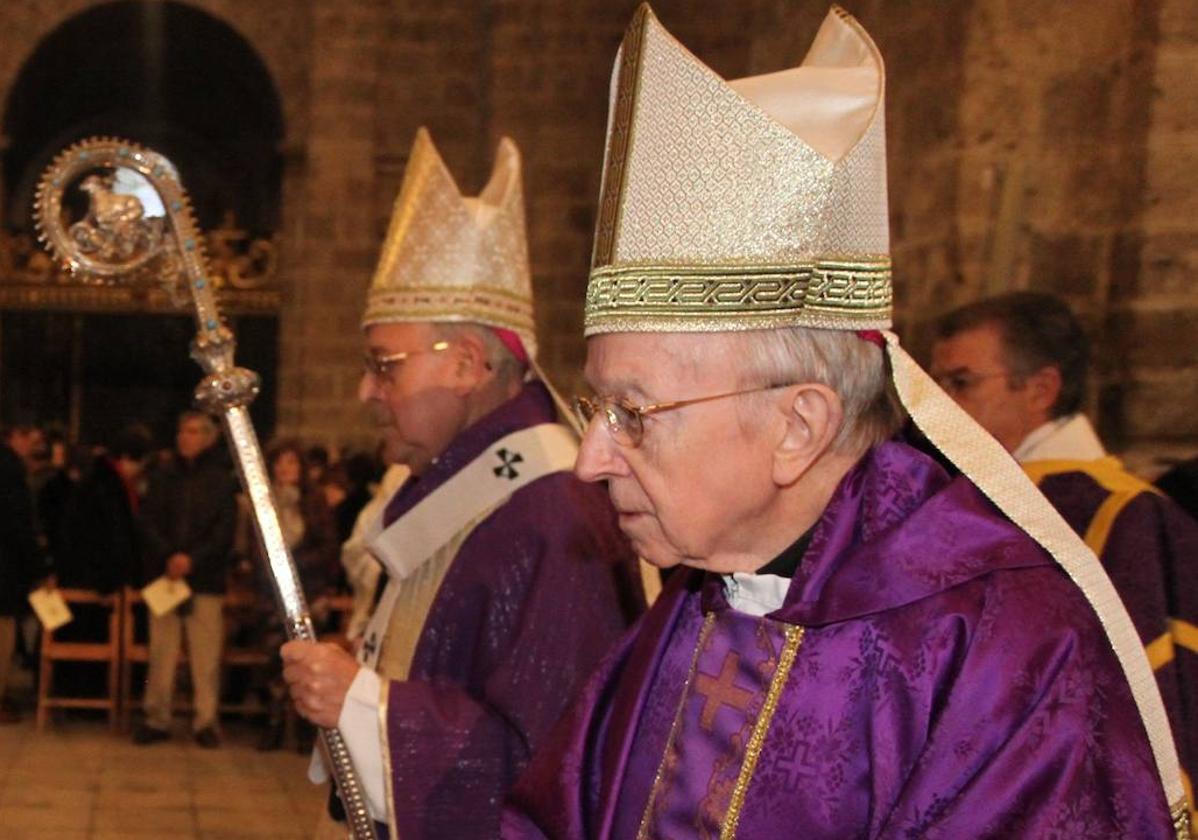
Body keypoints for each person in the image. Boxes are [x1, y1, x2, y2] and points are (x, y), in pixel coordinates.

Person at [502, 7, 1188, 838]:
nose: (590, 459)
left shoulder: (1000, 649)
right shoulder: (698, 600)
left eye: (631, 414)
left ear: (799, 425)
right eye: (594, 407)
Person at [280, 128, 645, 838]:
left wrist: (364, 703)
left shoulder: (551, 514)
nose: (364, 390)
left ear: (469, 363)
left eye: (385, 365)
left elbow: (554, 764)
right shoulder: (467, 490)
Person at [931, 290, 1198, 814]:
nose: (939, 403)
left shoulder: (1112, 517)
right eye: (934, 383)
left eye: (960, 383)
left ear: (1041, 389)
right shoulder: (979, 500)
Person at [134, 411, 238, 748]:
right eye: (182, 431)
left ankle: (205, 720)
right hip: (165, 575)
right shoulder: (163, 475)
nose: (185, 438)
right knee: (161, 652)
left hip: (204, 577)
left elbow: (224, 530)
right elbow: (147, 520)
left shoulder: (221, 479)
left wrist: (193, 559)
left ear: (208, 438)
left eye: (193, 432)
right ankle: (156, 717)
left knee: (205, 655)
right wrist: (170, 556)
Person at [0, 424, 46, 722]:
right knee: (3, 633)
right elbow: (18, 524)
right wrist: (37, 566)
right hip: (4, 568)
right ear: (16, 436)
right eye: (31, 437)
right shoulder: (10, 470)